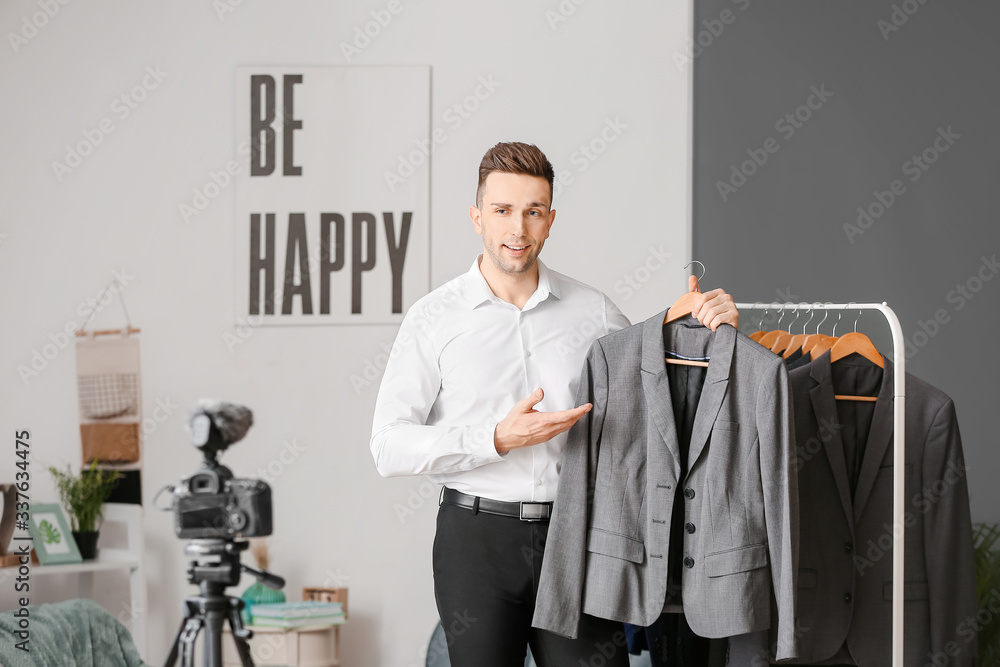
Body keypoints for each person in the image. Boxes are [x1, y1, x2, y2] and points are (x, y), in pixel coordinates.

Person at [370, 142, 739, 667]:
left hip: (578, 538)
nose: (517, 228)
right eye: (502, 211)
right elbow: (388, 445)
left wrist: (696, 324)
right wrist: (496, 439)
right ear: (477, 217)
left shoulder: (594, 312)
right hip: (477, 543)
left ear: (550, 221)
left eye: (532, 211)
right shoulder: (434, 318)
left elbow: (653, 395)